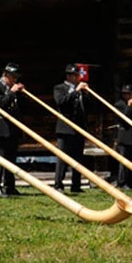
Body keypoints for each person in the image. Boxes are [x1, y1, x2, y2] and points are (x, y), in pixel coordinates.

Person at [0, 62, 24, 196]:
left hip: (13, 129)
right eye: (12, 77)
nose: (15, 80)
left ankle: (10, 186)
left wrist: (20, 94)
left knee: (11, 159)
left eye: (16, 77)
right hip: (0, 128)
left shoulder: (14, 90)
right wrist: (12, 92)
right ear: (5, 75)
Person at [53, 64, 90, 193]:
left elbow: (88, 107)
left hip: (79, 128)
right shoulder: (59, 88)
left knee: (78, 157)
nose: (76, 78)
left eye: (77, 76)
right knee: (63, 157)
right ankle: (58, 184)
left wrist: (85, 94)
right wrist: (76, 92)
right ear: (68, 76)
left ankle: (76, 185)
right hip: (65, 128)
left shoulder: (79, 90)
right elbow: (61, 102)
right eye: (74, 76)